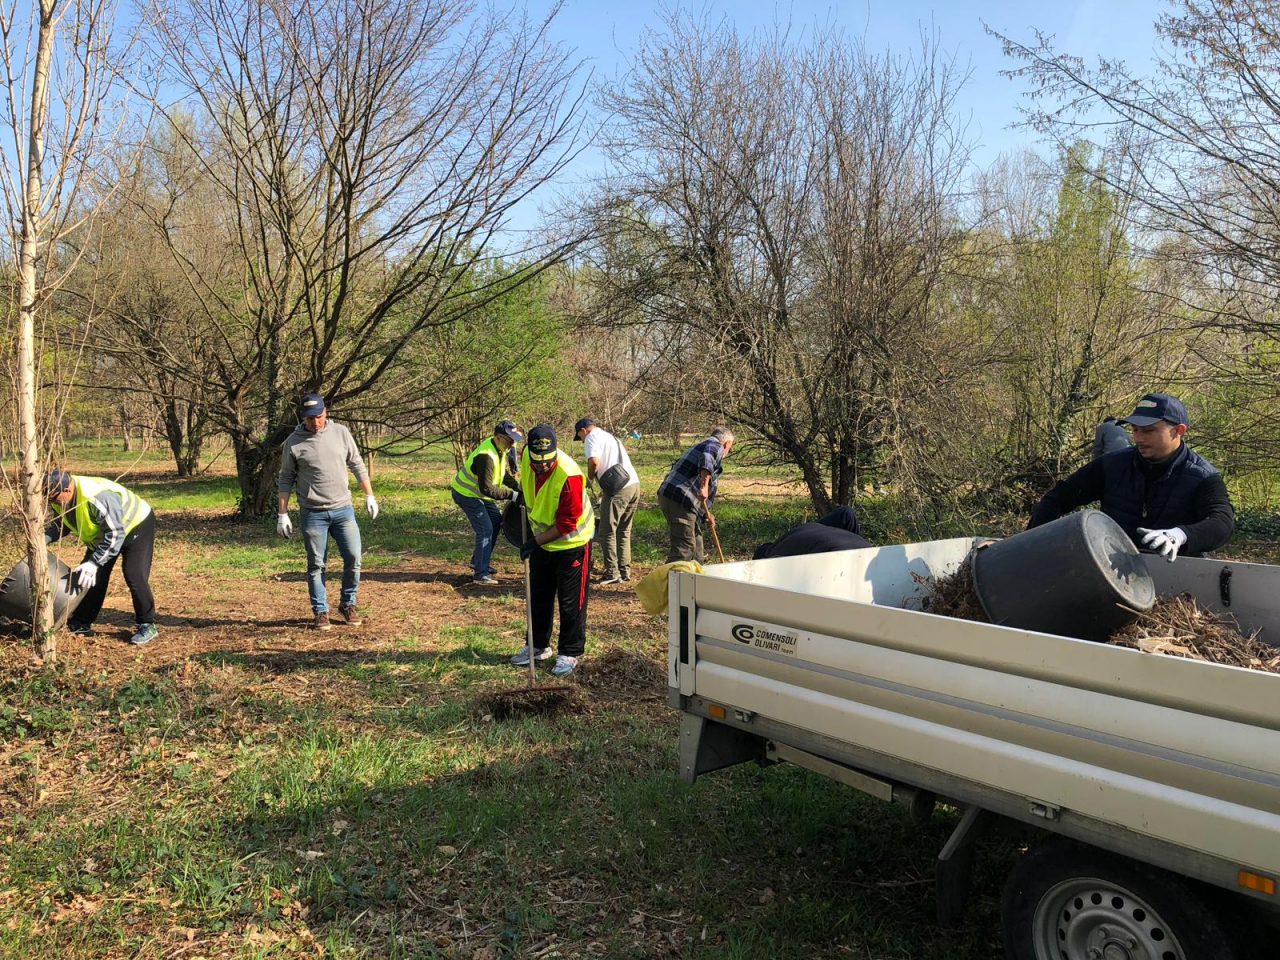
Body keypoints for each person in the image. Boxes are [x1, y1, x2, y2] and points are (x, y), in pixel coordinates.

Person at [1028, 392, 1234, 561]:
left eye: (1148, 431)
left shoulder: (1203, 476)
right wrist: (1028, 546)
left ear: (1178, 431)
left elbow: (1221, 522)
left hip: (1178, 573)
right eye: (1135, 430)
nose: (1138, 438)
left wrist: (1179, 535)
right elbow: (1060, 497)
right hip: (1113, 567)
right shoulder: (1111, 465)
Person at [277, 393, 378, 630]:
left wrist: (369, 495)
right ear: (303, 418)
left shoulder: (341, 433)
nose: (316, 423)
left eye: (320, 417)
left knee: (354, 557)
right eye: (310, 419)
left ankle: (348, 603)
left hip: (343, 509)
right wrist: (282, 513)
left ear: (326, 413)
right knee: (317, 564)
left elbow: (357, 463)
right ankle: (321, 611)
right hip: (313, 513)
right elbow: (285, 478)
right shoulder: (294, 442)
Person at [511, 424, 595, 678]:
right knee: (538, 595)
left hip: (572, 544)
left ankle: (570, 652)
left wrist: (535, 542)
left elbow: (567, 524)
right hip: (541, 541)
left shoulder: (569, 475)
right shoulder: (528, 455)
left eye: (547, 462)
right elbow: (528, 491)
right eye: (537, 462)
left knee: (571, 603)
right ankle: (537, 646)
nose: (542, 466)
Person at [44, 469, 159, 645]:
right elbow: (62, 525)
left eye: (53, 498)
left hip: (136, 526)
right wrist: (41, 540)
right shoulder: (59, 497)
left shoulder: (97, 497)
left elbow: (115, 535)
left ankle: (147, 624)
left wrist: (94, 562)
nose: (51, 503)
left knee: (134, 574)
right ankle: (81, 621)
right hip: (105, 535)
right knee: (90, 577)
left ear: (67, 491)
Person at [451, 420, 524, 585]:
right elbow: (487, 489)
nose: (513, 444)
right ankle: (480, 574)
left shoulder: (499, 448)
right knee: (485, 529)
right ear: (498, 437)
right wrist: (513, 495)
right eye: (510, 440)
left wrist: (518, 488)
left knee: (497, 521)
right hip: (467, 494)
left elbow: (502, 474)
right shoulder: (486, 456)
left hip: (479, 494)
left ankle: (478, 561)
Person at [575, 417, 640, 585]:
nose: (582, 441)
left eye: (580, 437)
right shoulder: (610, 437)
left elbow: (594, 462)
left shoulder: (592, 438)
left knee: (606, 530)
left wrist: (589, 479)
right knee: (623, 530)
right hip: (634, 484)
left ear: (584, 431)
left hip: (618, 489)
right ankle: (624, 570)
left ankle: (612, 572)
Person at [656, 427, 735, 562]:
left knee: (697, 547)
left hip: (682, 500)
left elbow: (705, 490)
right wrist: (704, 486)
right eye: (730, 448)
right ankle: (669, 581)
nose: (728, 451)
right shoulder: (714, 445)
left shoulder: (706, 446)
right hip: (679, 497)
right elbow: (707, 458)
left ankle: (697, 578)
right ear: (727, 443)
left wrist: (706, 514)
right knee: (684, 548)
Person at [752, 506, 872, 560]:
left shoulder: (776, 555)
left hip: (842, 556)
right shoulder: (803, 531)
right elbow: (846, 513)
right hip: (866, 550)